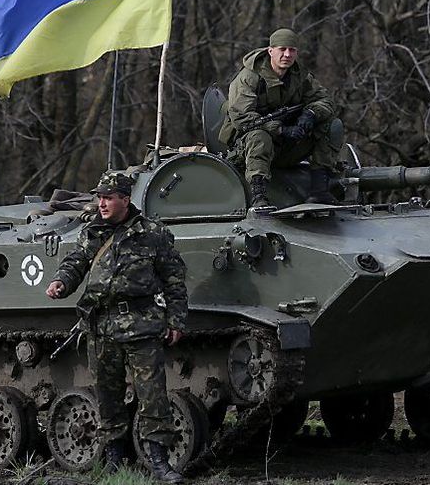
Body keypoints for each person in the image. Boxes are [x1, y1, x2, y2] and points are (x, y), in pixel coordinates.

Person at [45, 172, 188, 482]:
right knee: (108, 395)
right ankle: (114, 457)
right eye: (99, 197)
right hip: (103, 326)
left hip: (141, 324)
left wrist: (176, 319)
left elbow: (174, 279)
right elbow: (77, 262)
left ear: (125, 199)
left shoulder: (152, 234)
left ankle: (159, 460)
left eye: (108, 197)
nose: (102, 203)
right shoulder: (92, 232)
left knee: (152, 395)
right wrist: (61, 282)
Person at [217, 28, 341, 208]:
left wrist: (311, 114)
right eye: (282, 49)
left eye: (292, 50)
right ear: (270, 51)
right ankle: (258, 195)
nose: (287, 54)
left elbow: (326, 101)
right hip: (248, 149)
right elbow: (242, 117)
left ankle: (320, 190)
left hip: (287, 146)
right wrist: (281, 129)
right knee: (259, 136)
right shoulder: (249, 77)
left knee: (331, 125)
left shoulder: (299, 76)